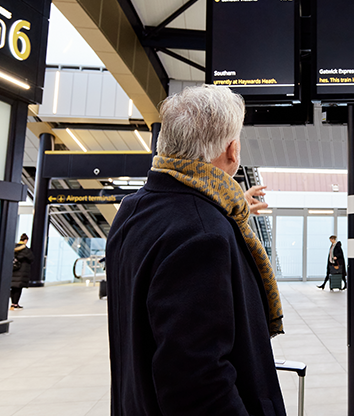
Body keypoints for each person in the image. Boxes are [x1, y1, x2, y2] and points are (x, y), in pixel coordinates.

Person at [106, 85, 286, 416]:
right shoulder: (204, 234)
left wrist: (224, 209)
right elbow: (197, 381)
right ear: (232, 151)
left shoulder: (133, 211)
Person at [10, 233, 33, 310]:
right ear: (26, 240)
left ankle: (12, 303)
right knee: (18, 288)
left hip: (13, 270)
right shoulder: (26, 250)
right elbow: (32, 258)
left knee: (13, 287)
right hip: (21, 271)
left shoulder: (13, 247)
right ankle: (15, 304)